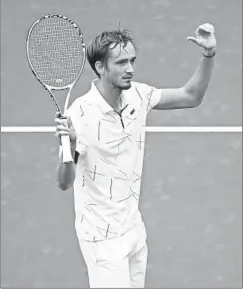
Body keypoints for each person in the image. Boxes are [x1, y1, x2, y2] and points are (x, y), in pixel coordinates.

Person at [55, 23, 217, 288]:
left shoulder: (138, 95)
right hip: (102, 240)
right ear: (100, 67)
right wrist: (68, 146)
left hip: (132, 227)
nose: (130, 68)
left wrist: (208, 55)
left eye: (131, 60)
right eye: (120, 62)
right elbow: (64, 181)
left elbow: (191, 96)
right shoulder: (79, 115)